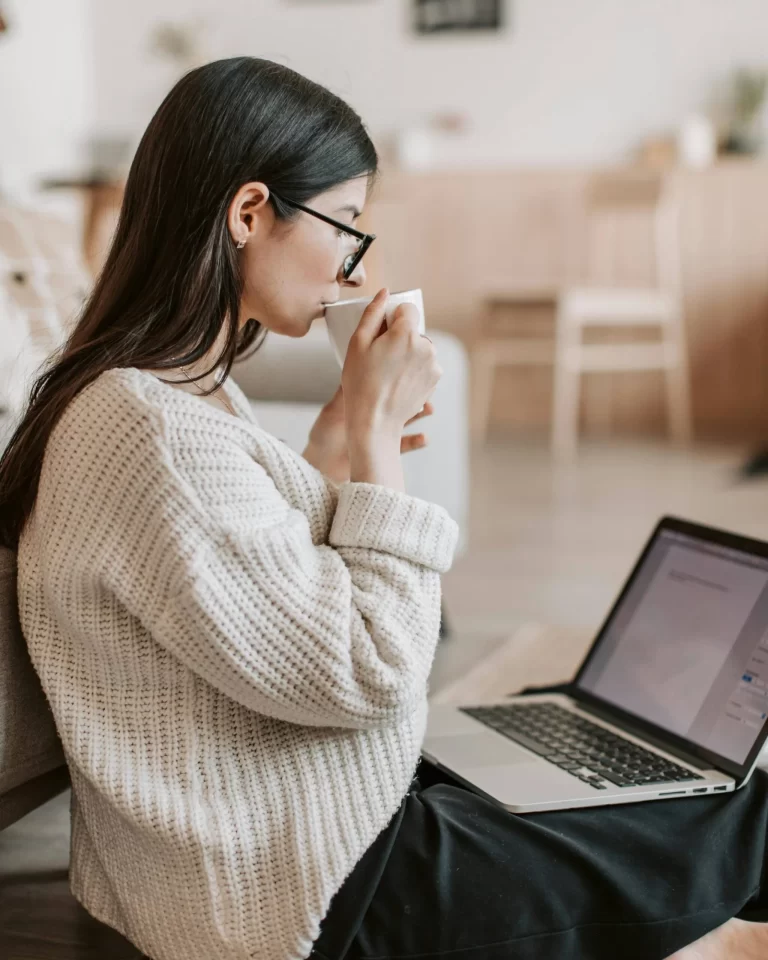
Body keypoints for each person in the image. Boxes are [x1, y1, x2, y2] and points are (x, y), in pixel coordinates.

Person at [0, 56, 766, 960]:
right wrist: (372, 445)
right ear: (250, 214)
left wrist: (335, 439)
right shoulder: (147, 428)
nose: (355, 261)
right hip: (309, 900)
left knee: (616, 785)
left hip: (296, 835)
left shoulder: (165, 395)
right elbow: (371, 672)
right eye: (346, 223)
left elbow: (265, 590)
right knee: (742, 817)